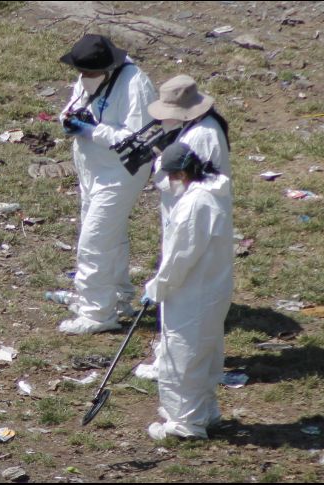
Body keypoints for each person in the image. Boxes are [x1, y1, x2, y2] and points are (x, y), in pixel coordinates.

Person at [57, 33, 158, 335]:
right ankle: (117, 297)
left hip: (119, 174)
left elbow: (137, 138)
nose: (83, 77)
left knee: (94, 242)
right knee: (108, 235)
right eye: (81, 72)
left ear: (108, 67)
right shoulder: (89, 74)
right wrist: (67, 118)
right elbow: (76, 103)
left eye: (89, 73)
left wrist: (91, 131)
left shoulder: (134, 84)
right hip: (92, 170)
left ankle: (98, 314)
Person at [134, 74, 232, 381]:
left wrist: (159, 165)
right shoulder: (205, 127)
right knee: (199, 309)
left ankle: (175, 367)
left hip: (190, 221)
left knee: (182, 302)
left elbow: (179, 180)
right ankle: (200, 367)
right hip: (196, 221)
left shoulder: (200, 137)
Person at [140, 142, 234, 440]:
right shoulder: (211, 195)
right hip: (210, 289)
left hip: (192, 293)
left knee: (182, 357)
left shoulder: (195, 205)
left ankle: (185, 426)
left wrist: (157, 287)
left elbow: (180, 257)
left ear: (181, 173)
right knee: (204, 354)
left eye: (169, 176)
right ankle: (205, 412)